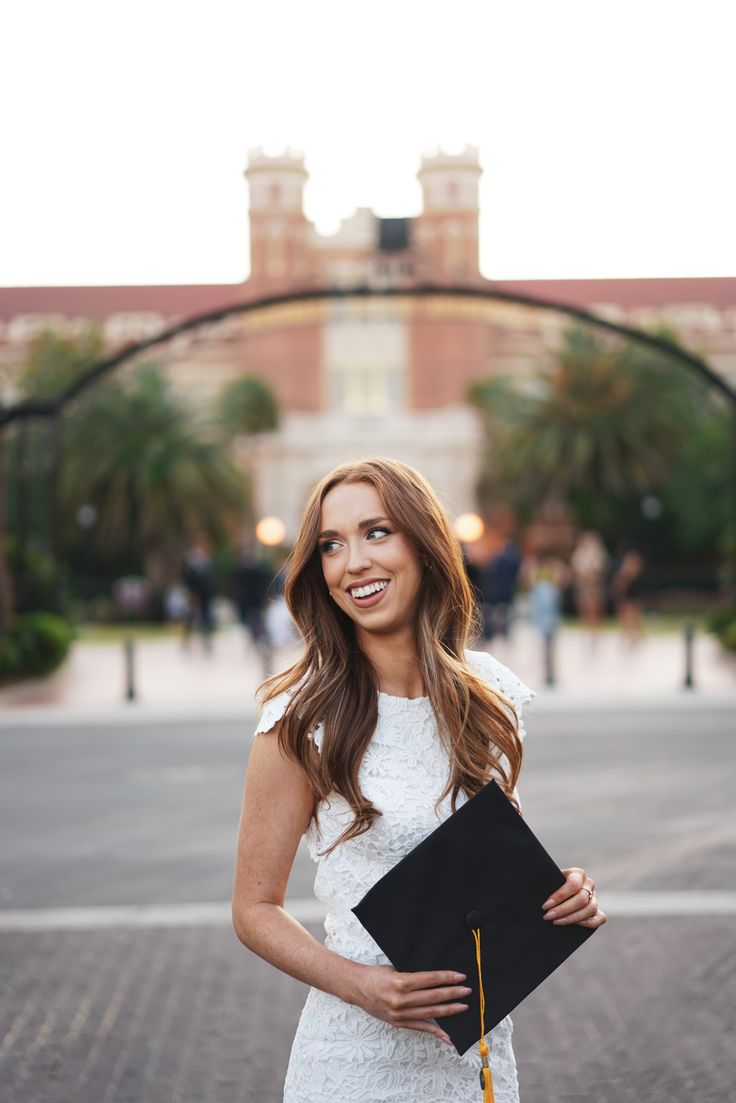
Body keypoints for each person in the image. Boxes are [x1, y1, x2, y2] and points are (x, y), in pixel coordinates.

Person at [231, 458, 606, 1103]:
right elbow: (252, 910)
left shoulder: (488, 696)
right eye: (331, 544)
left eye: (376, 532)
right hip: (354, 1060)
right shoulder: (301, 719)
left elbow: (490, 869)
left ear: (424, 544)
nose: (353, 563)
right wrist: (364, 987)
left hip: (477, 1058)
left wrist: (564, 892)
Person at [570, 530, 608, 640]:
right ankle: (587, 630)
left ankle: (595, 632)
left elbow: (600, 571)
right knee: (584, 607)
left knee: (595, 608)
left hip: (595, 585)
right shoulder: (579, 553)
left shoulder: (599, 553)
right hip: (583, 585)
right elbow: (575, 569)